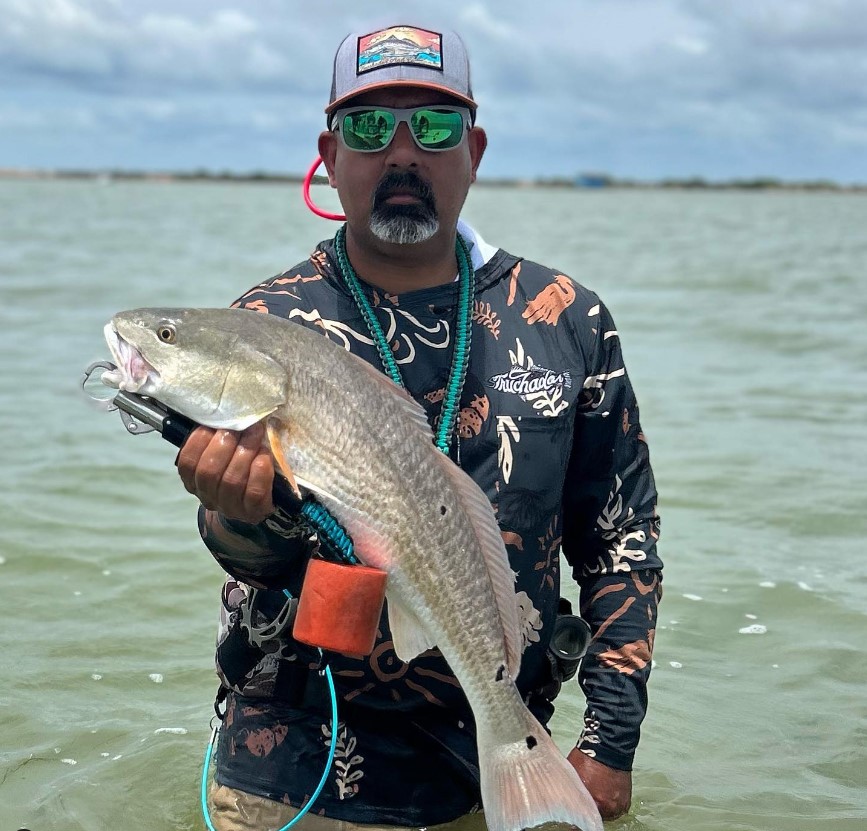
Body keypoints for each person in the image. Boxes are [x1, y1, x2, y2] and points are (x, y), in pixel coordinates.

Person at [177, 23, 662, 831]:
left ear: (473, 149)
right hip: (288, 774)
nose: (401, 152)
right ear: (329, 156)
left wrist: (610, 742)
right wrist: (233, 513)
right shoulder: (264, 324)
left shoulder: (568, 319)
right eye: (368, 127)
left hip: (499, 762)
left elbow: (620, 536)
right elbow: (251, 561)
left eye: (432, 126)